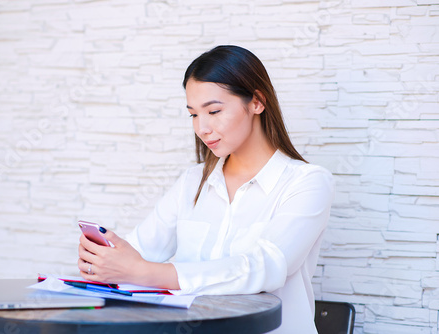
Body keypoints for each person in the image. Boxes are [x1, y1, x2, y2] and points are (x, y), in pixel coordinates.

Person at [77, 45, 334, 333]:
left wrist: (148, 273)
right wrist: (104, 260)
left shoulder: (307, 182)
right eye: (193, 115)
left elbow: (266, 268)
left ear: (257, 102)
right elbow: (139, 251)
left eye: (214, 111)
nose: (202, 128)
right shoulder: (193, 181)